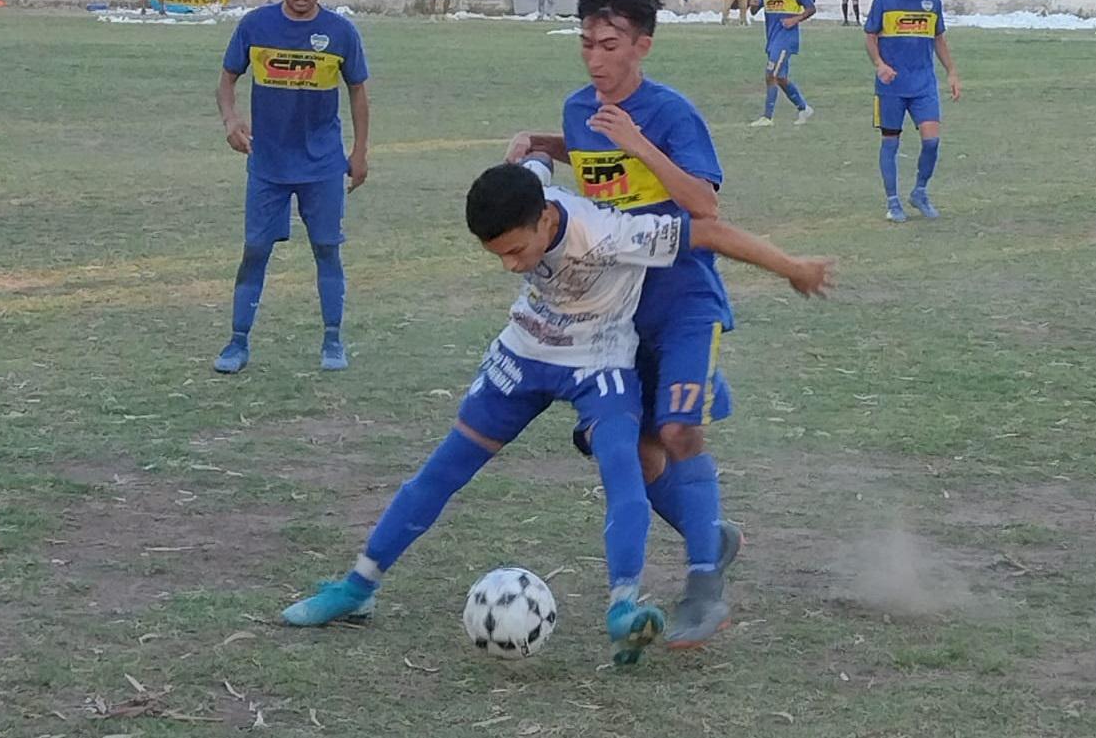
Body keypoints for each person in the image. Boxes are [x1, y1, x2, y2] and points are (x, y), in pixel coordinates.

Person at [281, 160, 834, 663]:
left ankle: (624, 607)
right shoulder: (529, 192)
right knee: (444, 469)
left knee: (624, 470)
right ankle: (357, 588)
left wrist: (792, 266)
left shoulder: (611, 234)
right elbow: (531, 159)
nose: (510, 266)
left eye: (517, 252)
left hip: (600, 362)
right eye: (497, 256)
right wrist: (532, 145)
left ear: (547, 218)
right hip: (525, 353)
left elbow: (708, 231)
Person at [504, 0, 749, 647]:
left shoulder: (671, 114)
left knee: (675, 431)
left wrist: (641, 144)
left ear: (642, 44)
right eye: (585, 44)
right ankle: (710, 535)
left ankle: (704, 581)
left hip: (684, 302)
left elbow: (705, 205)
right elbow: (589, 153)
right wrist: (545, 143)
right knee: (629, 454)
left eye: (609, 46)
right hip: (614, 310)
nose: (594, 59)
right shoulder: (581, 108)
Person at [213, 0, 371, 374]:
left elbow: (358, 91)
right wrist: (231, 120)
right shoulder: (255, 27)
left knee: (326, 249)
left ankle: (333, 339)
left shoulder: (340, 33)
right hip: (268, 164)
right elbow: (227, 79)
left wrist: (358, 151)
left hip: (322, 165)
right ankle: (238, 342)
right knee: (255, 249)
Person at [864, 0, 961, 223]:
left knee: (932, 142)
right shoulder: (884, 0)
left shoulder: (932, 1)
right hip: (890, 87)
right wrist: (880, 64)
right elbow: (870, 36)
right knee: (890, 143)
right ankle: (893, 202)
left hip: (923, 85)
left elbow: (938, 38)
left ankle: (919, 191)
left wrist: (952, 72)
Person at [748, 0, 816, 128]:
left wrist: (795, 19)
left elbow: (811, 8)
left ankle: (767, 117)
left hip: (787, 39)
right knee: (781, 78)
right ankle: (803, 108)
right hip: (772, 38)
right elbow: (754, 11)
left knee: (771, 74)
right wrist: (753, 5)